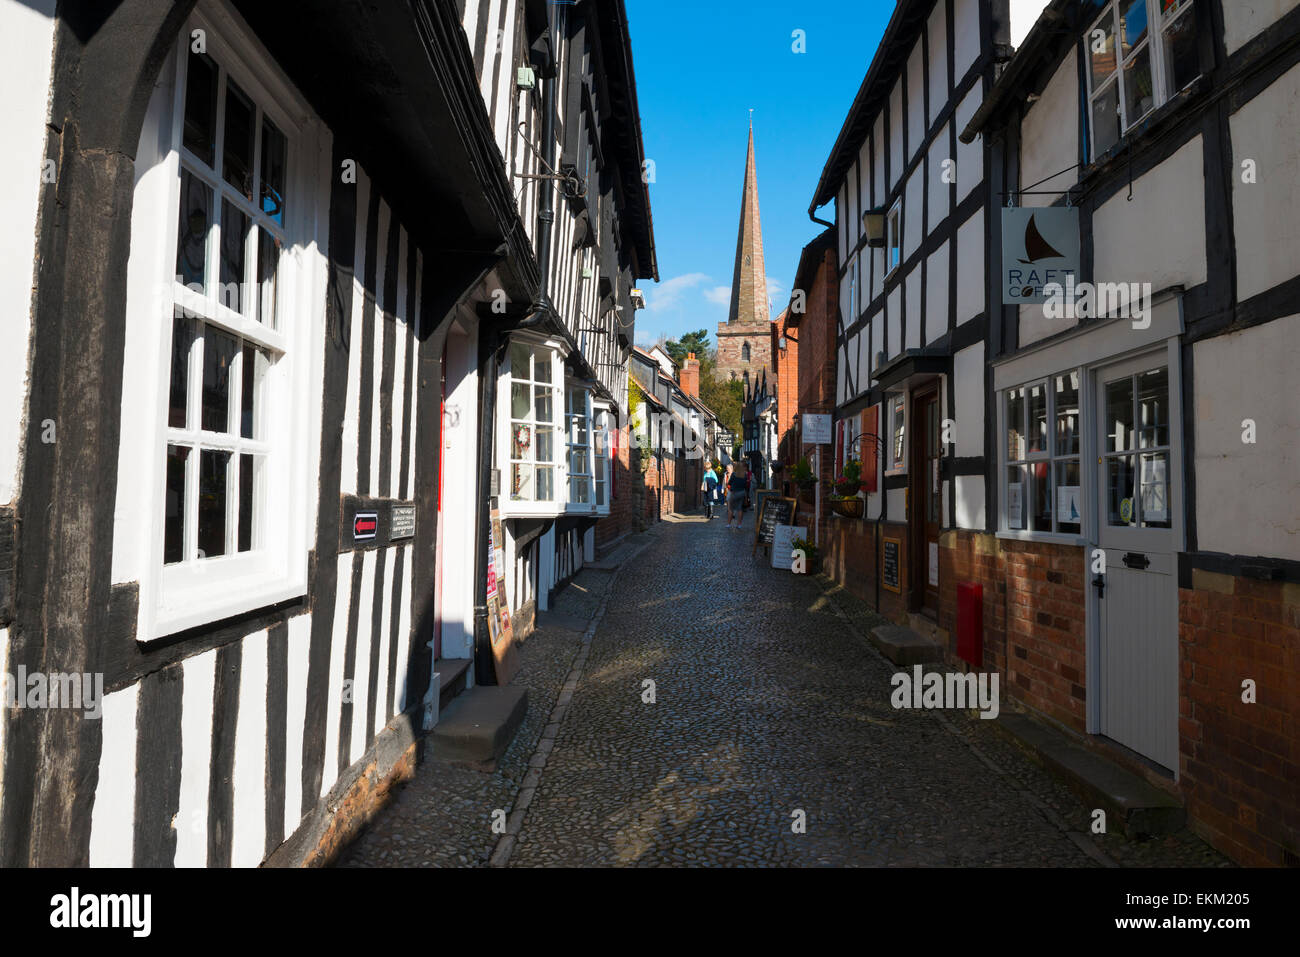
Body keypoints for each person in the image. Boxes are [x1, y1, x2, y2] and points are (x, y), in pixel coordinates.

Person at [725, 461, 749, 530]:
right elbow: (746, 485)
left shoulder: (733, 474)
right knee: (740, 509)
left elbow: (729, 483)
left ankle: (729, 524)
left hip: (734, 493)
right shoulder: (745, 475)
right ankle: (739, 525)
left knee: (731, 509)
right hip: (742, 492)